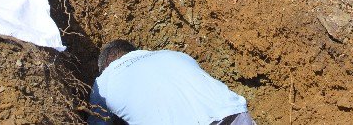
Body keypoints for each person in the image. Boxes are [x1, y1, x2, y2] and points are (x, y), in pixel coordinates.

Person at [88, 40, 255, 125]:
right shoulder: (174, 54)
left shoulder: (104, 81)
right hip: (234, 116)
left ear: (106, 65)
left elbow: (98, 123)